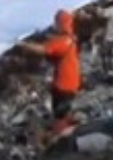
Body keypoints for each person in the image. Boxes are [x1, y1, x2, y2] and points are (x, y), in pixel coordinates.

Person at [17, 10, 82, 140]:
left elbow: (43, 50)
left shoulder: (63, 41)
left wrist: (22, 44)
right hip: (71, 83)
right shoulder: (70, 38)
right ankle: (66, 128)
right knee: (63, 109)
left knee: (59, 113)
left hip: (64, 84)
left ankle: (61, 137)